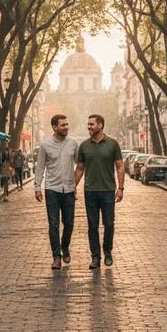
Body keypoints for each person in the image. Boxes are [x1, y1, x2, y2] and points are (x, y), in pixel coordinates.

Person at [75, 114, 124, 270]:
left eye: (92, 124)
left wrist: (120, 188)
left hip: (108, 190)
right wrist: (72, 187)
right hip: (90, 191)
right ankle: (95, 257)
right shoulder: (83, 146)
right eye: (88, 124)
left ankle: (107, 251)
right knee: (92, 225)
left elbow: (120, 166)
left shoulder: (112, 144)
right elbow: (80, 168)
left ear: (101, 125)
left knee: (109, 224)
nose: (89, 127)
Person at [35, 114, 79, 270]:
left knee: (69, 223)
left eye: (67, 125)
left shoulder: (73, 143)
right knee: (53, 224)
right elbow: (40, 167)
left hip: (68, 190)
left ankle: (65, 245)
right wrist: (37, 187)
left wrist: (76, 184)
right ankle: (56, 256)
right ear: (54, 127)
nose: (66, 127)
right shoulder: (45, 145)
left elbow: (80, 166)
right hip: (52, 189)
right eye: (63, 125)